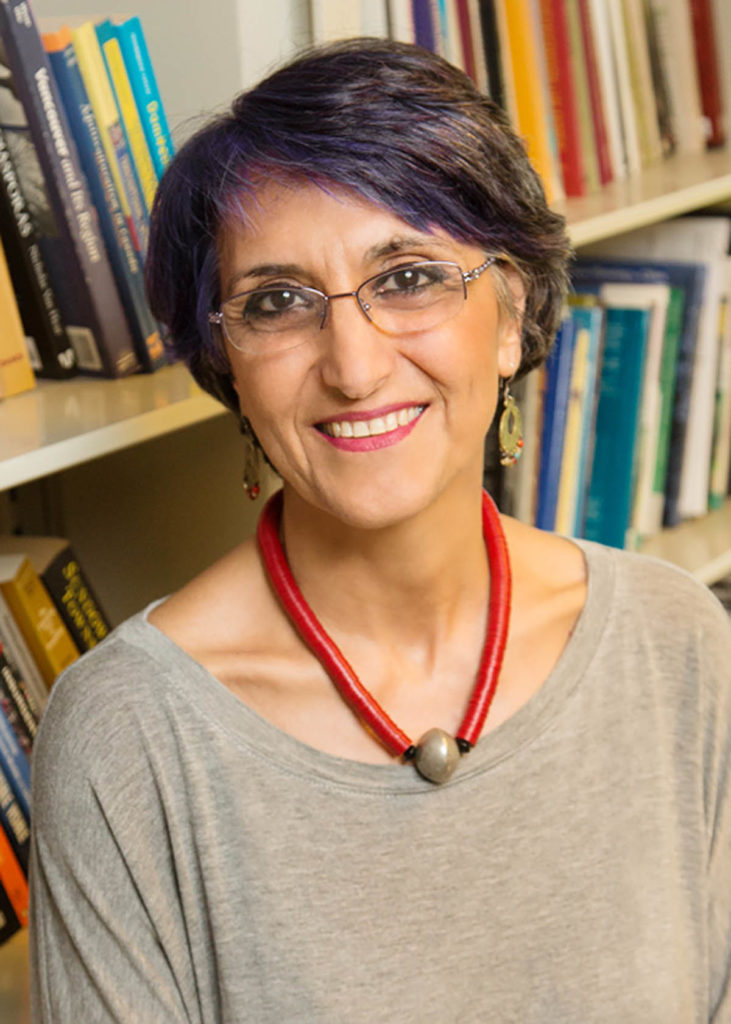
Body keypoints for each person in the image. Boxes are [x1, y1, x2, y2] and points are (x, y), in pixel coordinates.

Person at [30, 38, 730, 1023]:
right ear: (228, 363)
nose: (352, 366)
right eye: (276, 302)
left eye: (406, 276)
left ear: (509, 310)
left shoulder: (676, 640)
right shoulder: (128, 737)